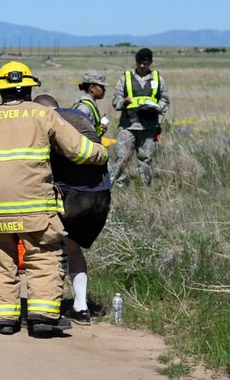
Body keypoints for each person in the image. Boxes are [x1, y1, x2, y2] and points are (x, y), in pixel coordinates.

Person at [0, 62, 106, 337]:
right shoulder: (42, 115)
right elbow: (77, 150)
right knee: (43, 257)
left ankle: (2, 319)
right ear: (31, 88)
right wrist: (101, 154)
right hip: (35, 209)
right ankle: (43, 317)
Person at [42, 91, 112, 322]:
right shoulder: (78, 116)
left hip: (72, 195)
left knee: (51, 249)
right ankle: (81, 307)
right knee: (73, 247)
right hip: (100, 195)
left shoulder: (48, 122)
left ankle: (47, 306)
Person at [108, 49, 168, 184]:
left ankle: (144, 186)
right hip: (128, 125)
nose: (142, 66)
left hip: (149, 126)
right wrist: (123, 102)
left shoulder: (158, 79)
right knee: (122, 157)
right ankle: (117, 184)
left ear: (150, 62)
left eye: (145, 63)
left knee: (146, 158)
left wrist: (158, 108)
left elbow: (165, 99)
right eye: (139, 63)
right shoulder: (125, 78)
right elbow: (115, 101)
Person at [73, 71, 110, 135]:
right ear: (92, 88)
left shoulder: (90, 104)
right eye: (102, 87)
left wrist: (100, 130)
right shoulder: (85, 108)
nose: (104, 90)